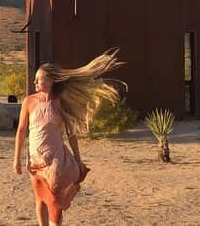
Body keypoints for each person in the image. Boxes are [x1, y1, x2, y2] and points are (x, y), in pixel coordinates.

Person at [13, 48, 124, 226]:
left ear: (49, 81)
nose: (34, 82)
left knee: (55, 203)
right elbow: (21, 131)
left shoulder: (59, 103)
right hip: (34, 158)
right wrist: (16, 159)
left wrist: (79, 160)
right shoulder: (29, 101)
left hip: (55, 158)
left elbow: (71, 134)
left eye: (39, 79)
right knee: (40, 199)